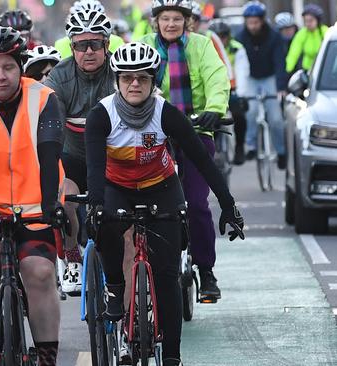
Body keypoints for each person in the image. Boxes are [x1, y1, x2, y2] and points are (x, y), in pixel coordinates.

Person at [85, 42, 245, 366]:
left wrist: (229, 206)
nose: (134, 84)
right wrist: (97, 206)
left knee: (167, 273)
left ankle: (172, 356)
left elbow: (202, 161)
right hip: (118, 187)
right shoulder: (101, 115)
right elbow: (93, 170)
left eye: (142, 78)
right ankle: (115, 285)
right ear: (116, 81)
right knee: (107, 225)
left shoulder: (165, 113)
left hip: (161, 187)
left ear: (153, 81)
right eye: (127, 78)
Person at [0, 26, 65, 366]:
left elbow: (50, 156)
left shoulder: (44, 98)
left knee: (39, 273)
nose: (0, 76)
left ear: (21, 67)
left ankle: (47, 354)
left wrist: (52, 206)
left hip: (36, 207)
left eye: (8, 67)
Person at [140, 0, 230, 303]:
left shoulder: (201, 46)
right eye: (165, 19)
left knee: (197, 204)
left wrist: (214, 110)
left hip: (195, 132)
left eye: (177, 19)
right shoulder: (143, 46)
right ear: (157, 22)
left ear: (186, 22)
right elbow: (132, 83)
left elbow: (216, 78)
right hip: (155, 135)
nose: (170, 24)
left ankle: (206, 271)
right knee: (145, 205)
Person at [45, 8, 117, 296]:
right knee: (65, 200)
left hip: (112, 159)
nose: (88, 51)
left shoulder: (120, 74)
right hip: (73, 158)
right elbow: (50, 125)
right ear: (71, 46)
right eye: (80, 45)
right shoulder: (59, 77)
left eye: (95, 44)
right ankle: (72, 256)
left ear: (106, 45)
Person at [235, 0, 287, 168]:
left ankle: (280, 152)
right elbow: (238, 64)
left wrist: (281, 88)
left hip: (270, 77)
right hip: (250, 77)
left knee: (276, 118)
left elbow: (280, 63)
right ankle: (251, 146)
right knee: (250, 112)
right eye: (249, 22)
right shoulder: (240, 38)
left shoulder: (275, 37)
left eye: (256, 22)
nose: (253, 26)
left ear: (263, 20)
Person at [209, 19, 250, 165]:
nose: (221, 39)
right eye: (217, 36)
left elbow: (242, 70)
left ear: (228, 36)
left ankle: (239, 147)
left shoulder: (237, 48)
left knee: (239, 115)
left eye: (223, 36)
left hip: (233, 88)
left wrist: (241, 94)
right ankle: (215, 147)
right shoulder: (207, 48)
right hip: (212, 90)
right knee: (210, 117)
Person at [54, 0, 124, 59]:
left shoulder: (117, 41)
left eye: (96, 43)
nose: (89, 51)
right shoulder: (60, 44)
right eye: (81, 45)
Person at [285, 4, 329, 74]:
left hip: (324, 69)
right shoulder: (302, 34)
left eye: (311, 21)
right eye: (305, 21)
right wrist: (287, 70)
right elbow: (293, 53)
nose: (308, 24)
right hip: (308, 70)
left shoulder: (326, 31)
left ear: (317, 20)